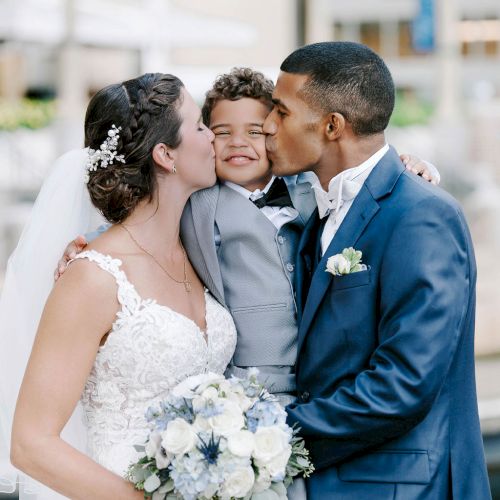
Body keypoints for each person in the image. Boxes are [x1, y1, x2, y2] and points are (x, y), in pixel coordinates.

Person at [54, 67, 440, 499]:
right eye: (213, 130)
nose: (237, 142)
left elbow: (362, 186)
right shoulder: (196, 204)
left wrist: (409, 165)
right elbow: (143, 216)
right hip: (245, 409)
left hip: (325, 404)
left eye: (256, 131)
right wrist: (89, 245)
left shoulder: (312, 192)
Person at [262, 41, 491, 499]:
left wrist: (263, 435)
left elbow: (403, 384)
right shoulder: (316, 210)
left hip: (403, 487)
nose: (267, 127)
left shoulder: (421, 216)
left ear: (332, 126)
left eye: (280, 112)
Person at [2, 73, 237, 499]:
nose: (214, 138)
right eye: (201, 125)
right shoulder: (92, 278)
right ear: (166, 155)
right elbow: (30, 444)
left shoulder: (201, 251)